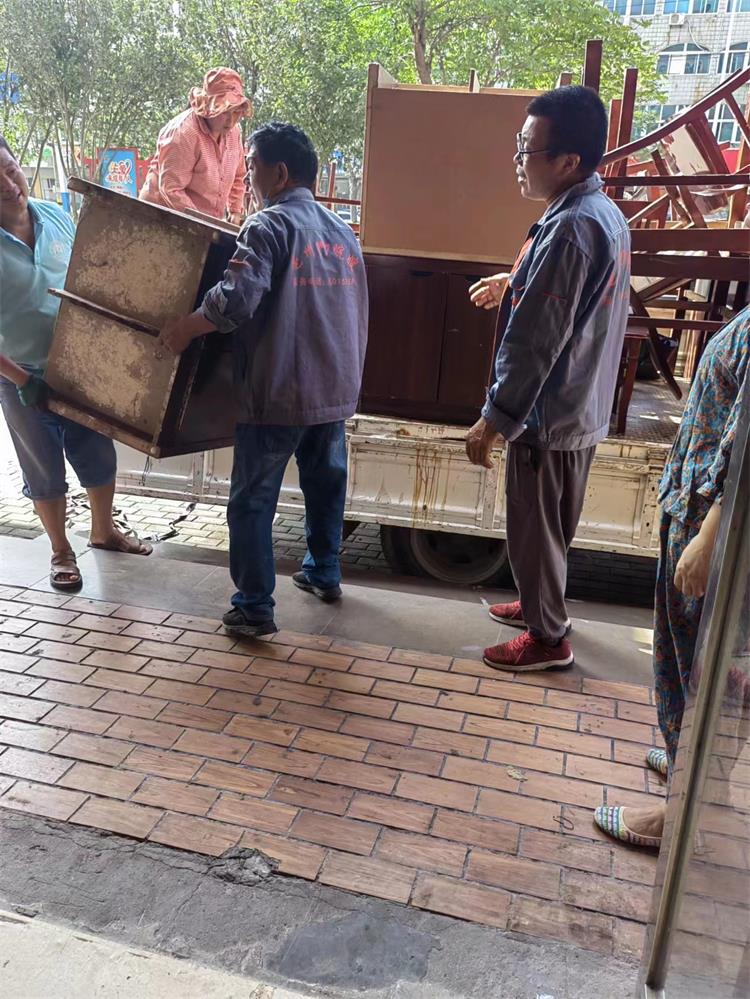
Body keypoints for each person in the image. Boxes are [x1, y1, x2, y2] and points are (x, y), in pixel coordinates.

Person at [158, 122, 368, 637]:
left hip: (279, 391)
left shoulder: (267, 226)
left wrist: (186, 328)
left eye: (251, 166)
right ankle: (324, 571)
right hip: (333, 390)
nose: (247, 177)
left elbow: (235, 301)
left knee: (252, 500)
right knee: (325, 485)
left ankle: (254, 607)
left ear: (279, 173)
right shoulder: (342, 232)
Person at [465, 85, 630, 672]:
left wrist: (494, 418)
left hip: (548, 410)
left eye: (527, 149)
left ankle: (546, 637)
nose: (518, 159)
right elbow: (573, 299)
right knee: (552, 525)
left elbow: (537, 338)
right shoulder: (601, 213)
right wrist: (512, 282)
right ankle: (543, 606)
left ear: (567, 161)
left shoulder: (570, 228)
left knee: (534, 527)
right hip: (580, 404)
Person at [594, 305, 749, 848]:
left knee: (701, 672)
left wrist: (709, 537)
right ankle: (696, 769)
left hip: (715, 525)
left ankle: (687, 808)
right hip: (703, 513)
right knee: (702, 666)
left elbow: (747, 446)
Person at [0, 135, 151, 589]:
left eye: (10, 169)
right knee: (42, 465)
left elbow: (89, 282)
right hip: (20, 376)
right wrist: (21, 378)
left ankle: (103, 531)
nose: (8, 184)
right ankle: (61, 550)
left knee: (97, 451)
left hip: (80, 366)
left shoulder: (56, 217)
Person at [140, 67, 252, 223]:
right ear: (210, 106)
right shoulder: (184, 133)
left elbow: (239, 175)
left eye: (236, 112)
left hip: (204, 222)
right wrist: (204, 225)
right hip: (160, 218)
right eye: (225, 112)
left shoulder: (235, 132)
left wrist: (235, 211)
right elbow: (171, 189)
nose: (231, 120)